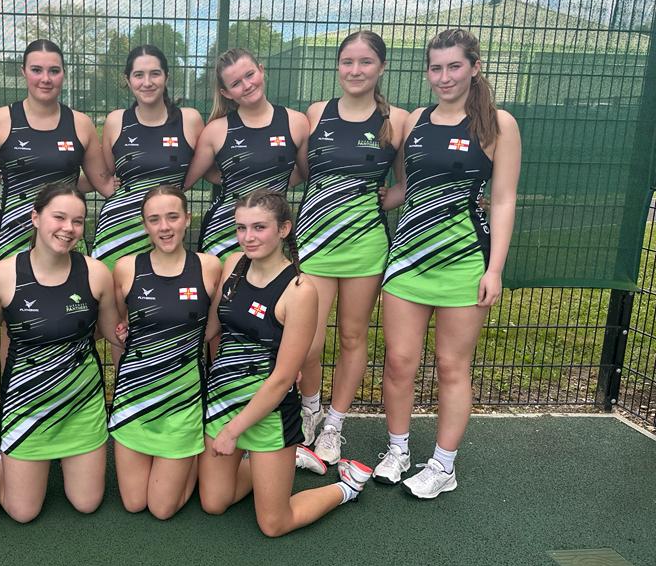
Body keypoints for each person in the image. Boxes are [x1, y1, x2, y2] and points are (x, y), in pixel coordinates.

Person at [374, 28, 521, 498]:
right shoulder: (416, 119)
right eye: (435, 68)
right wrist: (362, 199)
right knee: (399, 361)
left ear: (474, 67)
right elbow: (405, 187)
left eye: (454, 66)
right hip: (407, 261)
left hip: (464, 264)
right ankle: (398, 451)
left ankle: (443, 465)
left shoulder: (499, 124)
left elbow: (503, 200)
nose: (444, 77)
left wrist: (494, 269)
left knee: (451, 366)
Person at [199, 189, 373, 537]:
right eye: (241, 228)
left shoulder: (300, 290)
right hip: (223, 400)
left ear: (283, 229)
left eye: (259, 227)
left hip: (270, 412)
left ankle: (346, 486)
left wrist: (232, 432)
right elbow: (210, 328)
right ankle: (283, 462)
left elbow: (282, 379)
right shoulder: (233, 264)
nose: (248, 237)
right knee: (214, 503)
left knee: (274, 523)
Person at [291, 30, 408, 472]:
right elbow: (304, 171)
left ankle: (334, 425)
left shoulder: (397, 120)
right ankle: (309, 410)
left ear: (382, 67)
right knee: (308, 342)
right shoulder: (317, 113)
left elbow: (406, 182)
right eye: (347, 62)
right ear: (338, 66)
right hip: (315, 244)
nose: (355, 71)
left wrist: (386, 200)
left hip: (365, 247)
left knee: (352, 337)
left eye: (365, 62)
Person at [0, 183, 123, 522]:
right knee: (22, 513)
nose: (68, 228)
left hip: (81, 404)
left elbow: (113, 333)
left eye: (77, 221)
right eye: (59, 217)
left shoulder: (96, 273)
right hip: (26, 405)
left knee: (87, 504)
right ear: (35, 217)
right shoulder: (2, 275)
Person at [109, 186, 222, 518]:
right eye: (154, 219)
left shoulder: (209, 267)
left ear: (187, 218)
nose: (165, 227)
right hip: (134, 400)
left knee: (161, 509)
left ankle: (196, 457)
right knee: (133, 504)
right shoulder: (126, 268)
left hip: (182, 402)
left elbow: (212, 328)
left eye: (173, 217)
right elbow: (120, 328)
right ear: (145, 225)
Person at [0, 40, 115, 262]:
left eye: (54, 71)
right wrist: (15, 179)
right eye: (36, 70)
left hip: (65, 239)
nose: (46, 79)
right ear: (23, 72)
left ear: (64, 74)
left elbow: (102, 181)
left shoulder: (81, 124)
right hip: (13, 239)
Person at [183, 48, 308, 259]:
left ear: (261, 70)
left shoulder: (296, 122)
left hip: (268, 236)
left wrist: (271, 186)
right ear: (226, 93)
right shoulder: (216, 130)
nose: (247, 85)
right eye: (236, 83)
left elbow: (306, 173)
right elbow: (190, 178)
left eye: (250, 75)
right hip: (222, 235)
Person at [92, 46, 204, 267]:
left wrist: (173, 190)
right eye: (138, 75)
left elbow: (200, 171)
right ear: (128, 80)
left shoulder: (190, 119)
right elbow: (108, 173)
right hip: (117, 230)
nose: (147, 82)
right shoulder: (116, 120)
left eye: (155, 73)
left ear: (166, 77)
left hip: (165, 230)